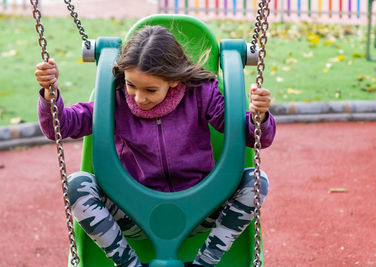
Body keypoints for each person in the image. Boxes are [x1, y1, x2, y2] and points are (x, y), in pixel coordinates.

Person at [35, 25, 276, 267]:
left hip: (202, 209)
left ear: (174, 80)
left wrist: (260, 117)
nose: (139, 98)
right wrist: (50, 95)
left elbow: (253, 137)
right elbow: (61, 126)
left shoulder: (201, 94)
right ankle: (128, 263)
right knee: (77, 185)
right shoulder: (114, 100)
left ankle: (206, 261)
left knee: (256, 181)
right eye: (131, 85)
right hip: (134, 212)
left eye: (150, 89)